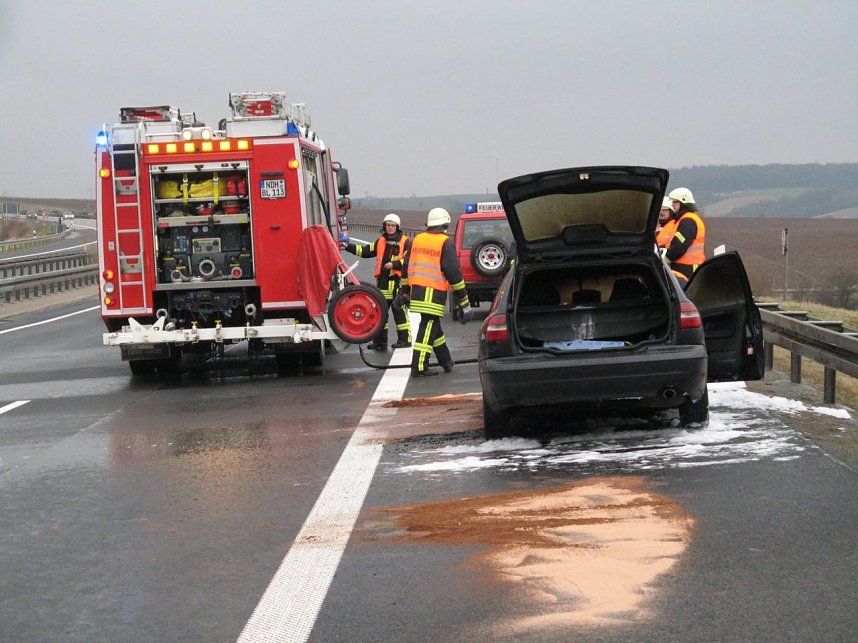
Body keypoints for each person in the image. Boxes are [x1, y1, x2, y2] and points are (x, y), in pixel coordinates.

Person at [401, 207, 472, 377]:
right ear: (445, 224)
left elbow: (405, 266)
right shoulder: (445, 242)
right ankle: (418, 367)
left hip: (417, 290)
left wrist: (404, 290)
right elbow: (454, 274)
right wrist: (464, 301)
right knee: (428, 327)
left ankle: (446, 361)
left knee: (433, 327)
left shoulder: (416, 239)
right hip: (433, 293)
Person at [340, 213, 411, 350]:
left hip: (397, 283)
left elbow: (410, 261)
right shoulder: (381, 241)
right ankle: (380, 342)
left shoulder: (406, 242)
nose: (390, 228)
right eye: (388, 225)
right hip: (382, 283)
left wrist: (394, 264)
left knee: (399, 312)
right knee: (380, 313)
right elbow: (365, 251)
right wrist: (347, 246)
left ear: (397, 227)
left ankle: (405, 340)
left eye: (392, 225)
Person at [662, 187, 706, 281]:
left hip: (687, 270)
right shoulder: (685, 220)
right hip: (685, 268)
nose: (672, 205)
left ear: (683, 203)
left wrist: (666, 258)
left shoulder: (688, 221)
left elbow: (679, 246)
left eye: (675, 202)